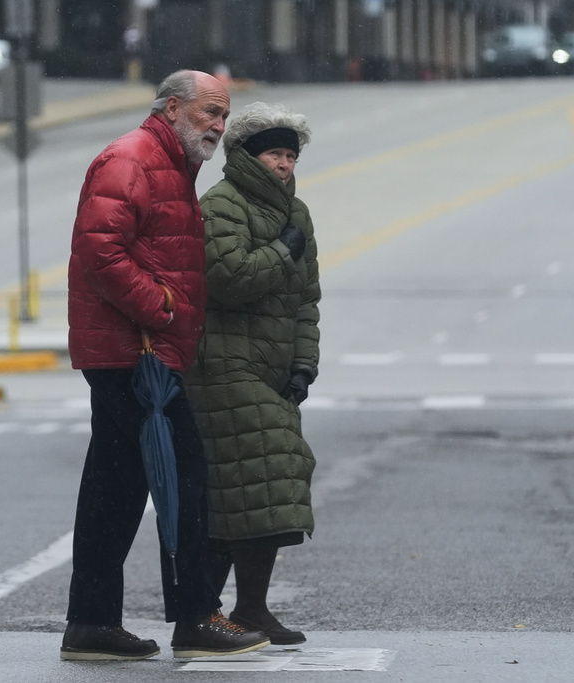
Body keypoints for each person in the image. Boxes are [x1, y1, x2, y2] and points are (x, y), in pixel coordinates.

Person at [61, 70, 270, 662]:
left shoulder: (168, 163)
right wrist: (161, 306)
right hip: (136, 353)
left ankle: (92, 625)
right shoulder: (132, 158)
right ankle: (196, 615)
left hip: (136, 350)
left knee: (115, 488)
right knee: (185, 478)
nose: (219, 127)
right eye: (211, 114)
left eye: (224, 118)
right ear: (173, 107)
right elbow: (100, 249)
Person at [186, 102, 320, 645]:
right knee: (262, 474)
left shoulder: (298, 212)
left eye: (290, 155)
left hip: (272, 368)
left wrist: (305, 363)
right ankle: (209, 613)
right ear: (247, 156)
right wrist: (282, 252)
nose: (284, 164)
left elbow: (306, 300)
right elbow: (228, 279)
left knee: (257, 486)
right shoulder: (221, 205)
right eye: (274, 154)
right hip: (222, 365)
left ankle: (246, 610)